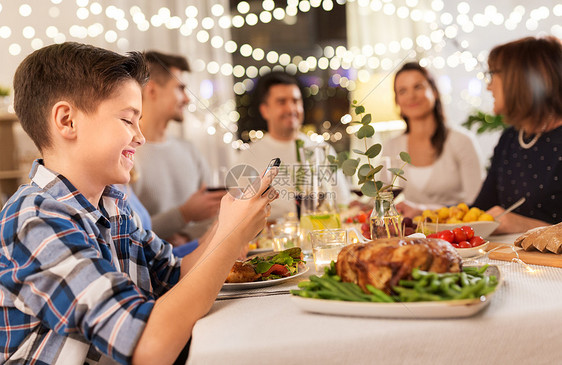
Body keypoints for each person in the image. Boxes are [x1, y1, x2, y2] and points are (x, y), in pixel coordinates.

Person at [0, 42, 278, 364]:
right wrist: (231, 236)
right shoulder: (34, 221)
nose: (140, 136)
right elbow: (148, 348)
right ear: (67, 121)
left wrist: (228, 221)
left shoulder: (113, 205)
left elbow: (176, 276)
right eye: (128, 120)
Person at [131, 50, 225, 243]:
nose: (187, 98)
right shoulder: (127, 154)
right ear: (152, 90)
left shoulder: (189, 150)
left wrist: (183, 236)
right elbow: (126, 231)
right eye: (180, 88)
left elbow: (216, 213)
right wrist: (183, 215)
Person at [472, 36, 562, 234]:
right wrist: (428, 215)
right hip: (512, 261)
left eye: (492, 74)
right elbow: (479, 210)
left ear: (518, 79)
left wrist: (524, 225)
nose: (488, 86)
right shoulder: (510, 138)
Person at [235, 71, 351, 220]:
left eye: (295, 101)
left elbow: (342, 202)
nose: (291, 109)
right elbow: (240, 214)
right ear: (265, 110)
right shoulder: (249, 155)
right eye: (281, 102)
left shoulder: (321, 150)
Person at [382, 62, 485, 218]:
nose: (411, 96)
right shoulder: (392, 146)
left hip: (455, 235)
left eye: (418, 87)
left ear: (434, 92)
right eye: (403, 91)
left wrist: (425, 210)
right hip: (413, 237)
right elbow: (380, 198)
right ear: (397, 101)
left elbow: (478, 205)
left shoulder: (462, 141)